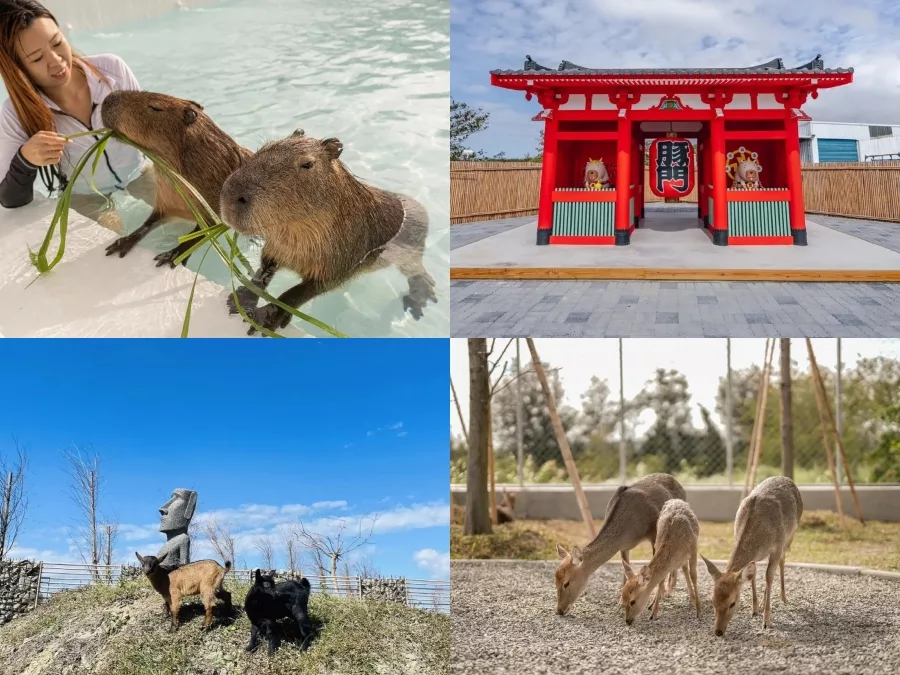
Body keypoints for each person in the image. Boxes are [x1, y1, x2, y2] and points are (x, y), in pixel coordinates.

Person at [0, 0, 154, 225]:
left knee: (186, 225)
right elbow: (9, 199)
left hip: (139, 173)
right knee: (109, 246)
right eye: (37, 58)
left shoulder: (112, 70)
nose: (56, 61)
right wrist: (26, 160)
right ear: (18, 69)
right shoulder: (16, 112)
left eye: (57, 43)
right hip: (85, 197)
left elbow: (151, 131)